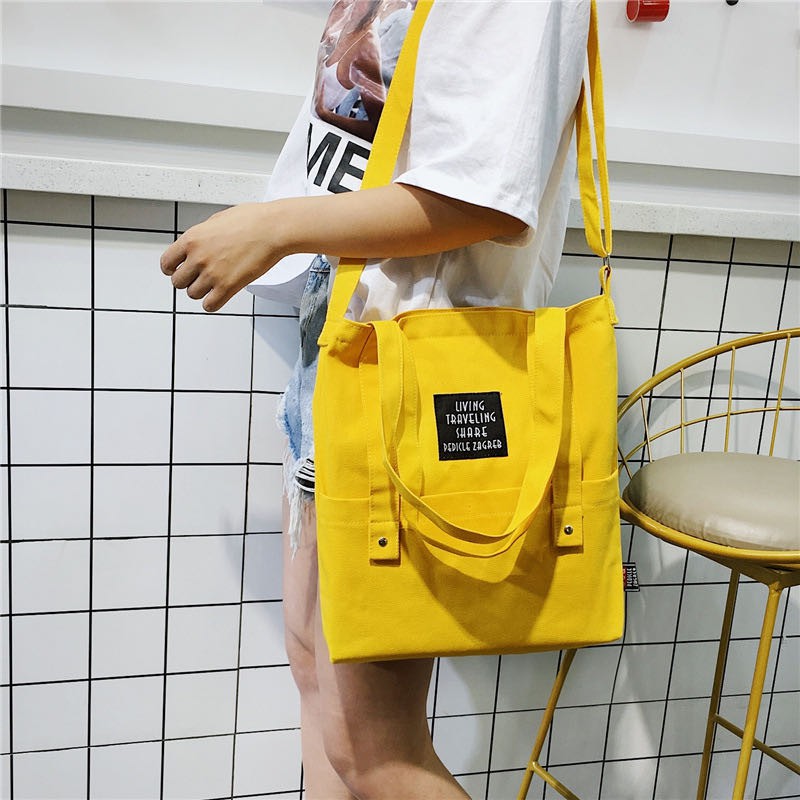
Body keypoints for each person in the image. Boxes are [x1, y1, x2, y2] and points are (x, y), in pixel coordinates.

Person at [160, 2, 591, 797]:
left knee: (376, 747)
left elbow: (486, 194)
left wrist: (275, 227)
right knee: (317, 682)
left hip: (410, 372)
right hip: (342, 343)